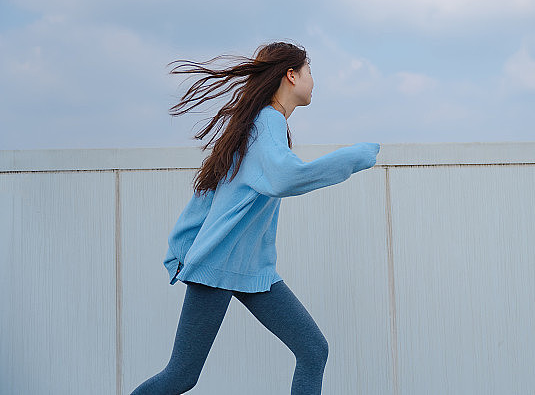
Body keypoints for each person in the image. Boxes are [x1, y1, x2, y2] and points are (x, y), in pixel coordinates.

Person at [130, 41, 380, 394]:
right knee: (182, 374)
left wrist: (181, 248)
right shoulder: (267, 122)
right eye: (309, 71)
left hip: (249, 269)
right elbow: (285, 177)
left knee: (313, 350)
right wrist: (355, 156)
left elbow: (208, 195)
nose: (313, 80)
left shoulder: (254, 125)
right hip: (219, 266)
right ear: (291, 75)